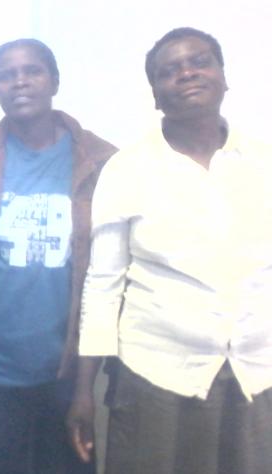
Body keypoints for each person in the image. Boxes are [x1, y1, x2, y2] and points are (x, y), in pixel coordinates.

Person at [68, 27, 272, 474]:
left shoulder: (264, 163)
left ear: (223, 77)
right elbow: (102, 286)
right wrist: (83, 391)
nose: (187, 74)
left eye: (199, 62)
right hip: (156, 378)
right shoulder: (126, 170)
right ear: (156, 95)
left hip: (256, 375)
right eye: (169, 71)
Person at [0, 38, 116, 474]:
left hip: (65, 371)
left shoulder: (99, 162)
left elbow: (106, 277)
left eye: (32, 71)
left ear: (55, 81)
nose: (20, 82)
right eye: (6, 75)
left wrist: (84, 386)